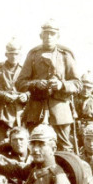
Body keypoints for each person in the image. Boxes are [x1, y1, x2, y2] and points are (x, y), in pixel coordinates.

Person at [16, 20, 81, 152]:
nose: (48, 37)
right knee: (34, 146)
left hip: (60, 109)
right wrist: (35, 84)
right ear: (41, 36)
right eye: (45, 34)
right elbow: (20, 83)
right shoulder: (33, 55)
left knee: (64, 148)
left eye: (52, 34)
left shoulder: (65, 55)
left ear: (58, 36)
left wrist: (61, 85)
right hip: (36, 109)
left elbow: (77, 84)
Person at [0, 41, 27, 142]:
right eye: (11, 54)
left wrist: (26, 96)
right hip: (0, 117)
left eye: (16, 54)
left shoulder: (24, 71)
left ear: (20, 55)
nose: (13, 56)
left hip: (19, 117)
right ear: (6, 55)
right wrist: (3, 95)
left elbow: (31, 90)